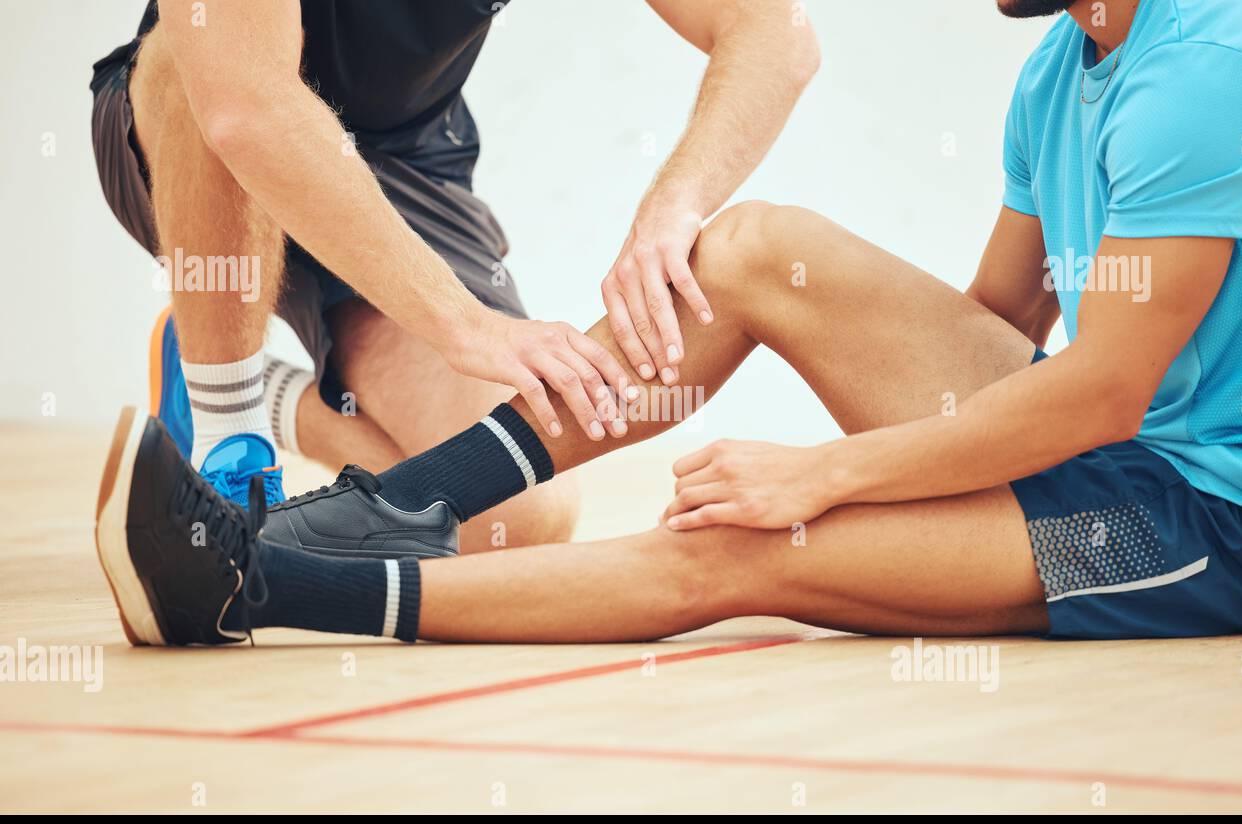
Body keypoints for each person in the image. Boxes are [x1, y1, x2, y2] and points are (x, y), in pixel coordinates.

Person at [96, 0, 1242, 646]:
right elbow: (985, 334)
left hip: (1193, 527)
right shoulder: (1062, 67)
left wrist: (822, 479)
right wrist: (873, 473)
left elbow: (1100, 395)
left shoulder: (1212, 69)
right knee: (745, 248)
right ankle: (380, 512)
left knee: (735, 551)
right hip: (1091, 455)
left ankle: (250, 583)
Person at [89, 0, 820, 555]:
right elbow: (245, 109)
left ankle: (249, 388)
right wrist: (462, 323)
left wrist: (676, 203)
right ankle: (229, 444)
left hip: (402, 162)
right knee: (197, 57)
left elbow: (775, 34)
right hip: (197, 125)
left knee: (519, 517)